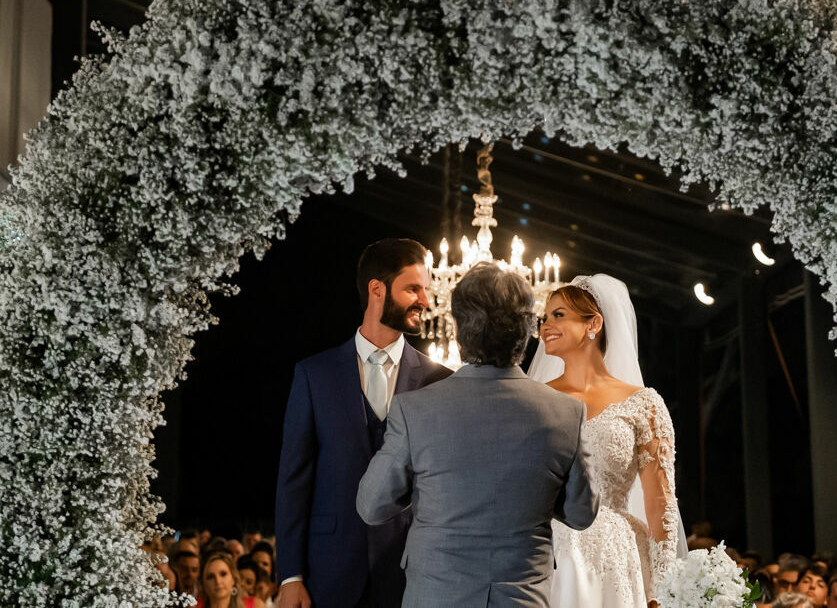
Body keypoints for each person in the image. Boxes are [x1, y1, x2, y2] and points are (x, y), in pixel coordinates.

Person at [357, 262, 598, 607]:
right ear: (528, 330)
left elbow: (371, 506)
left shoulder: (415, 411)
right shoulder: (566, 414)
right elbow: (581, 514)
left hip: (436, 595)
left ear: (456, 328)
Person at [276, 239, 453, 608]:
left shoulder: (441, 381)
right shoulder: (314, 375)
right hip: (330, 572)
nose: (425, 300)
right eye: (413, 288)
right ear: (377, 289)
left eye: (427, 289)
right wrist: (290, 575)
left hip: (412, 573)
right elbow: (294, 480)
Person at [526, 274, 687, 606]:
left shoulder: (644, 404)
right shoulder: (532, 399)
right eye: (544, 317)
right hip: (546, 555)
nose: (544, 326)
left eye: (558, 315)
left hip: (616, 556)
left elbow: (660, 503)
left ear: (593, 323)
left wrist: (664, 586)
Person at [200, 551, 267, 608]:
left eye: (223, 574)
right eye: (210, 577)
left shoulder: (256, 605)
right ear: (203, 583)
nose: (218, 581)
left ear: (233, 578)